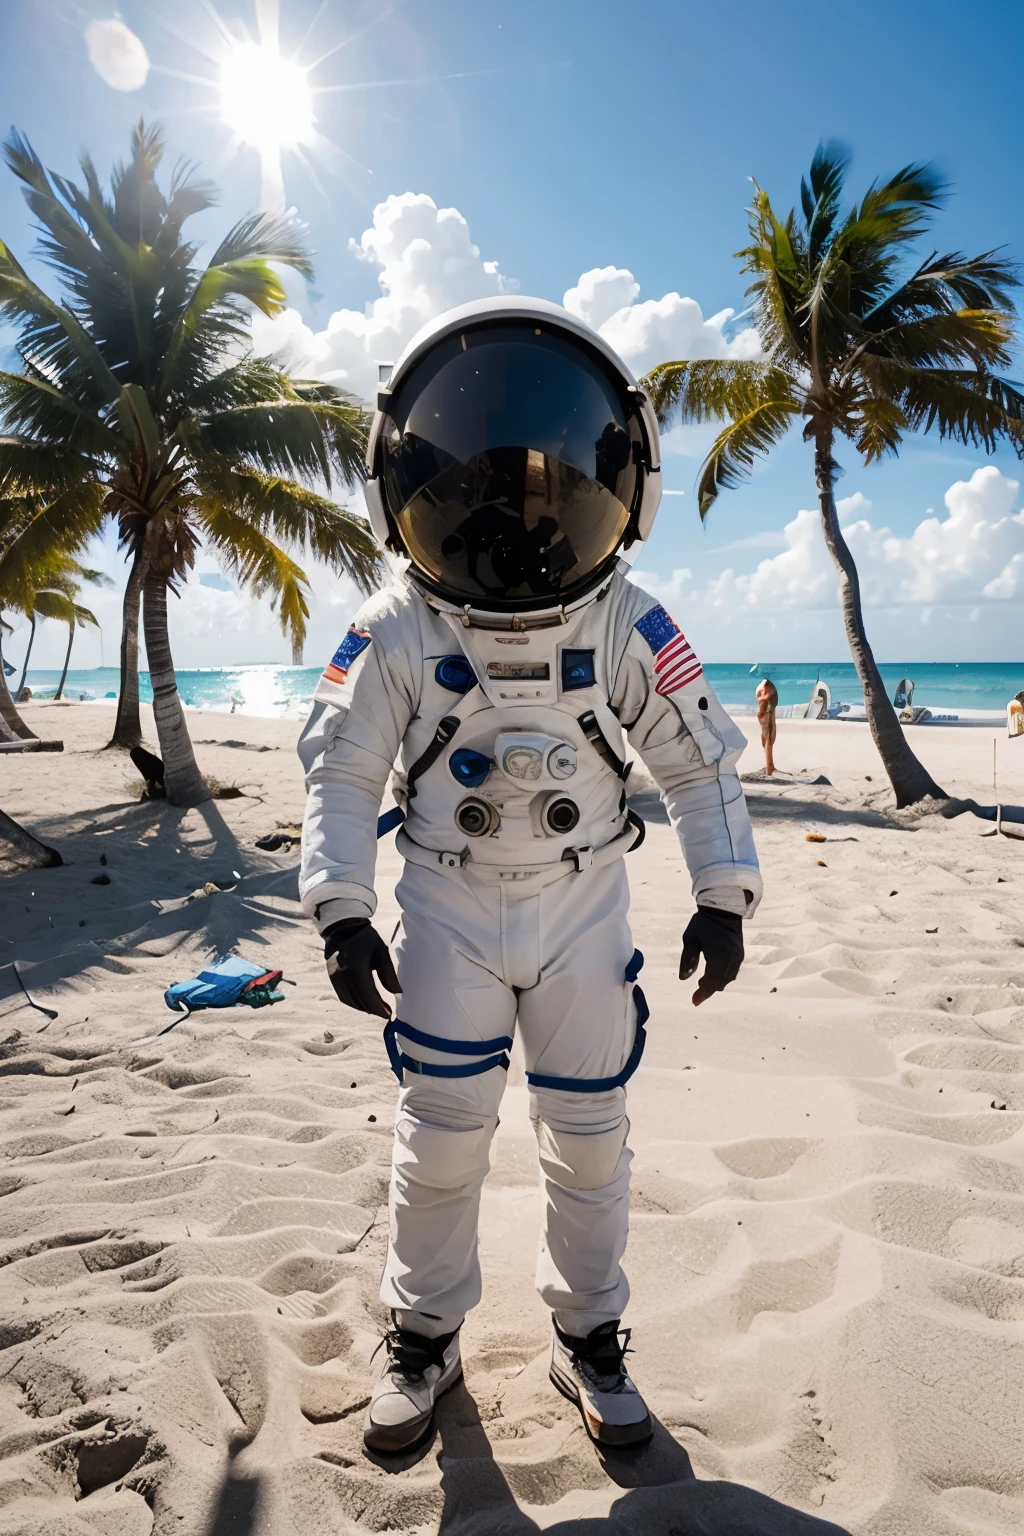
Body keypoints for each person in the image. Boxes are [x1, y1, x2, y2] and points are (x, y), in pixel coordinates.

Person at [298, 297, 761, 1456]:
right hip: (447, 902)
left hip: (578, 902)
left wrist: (723, 892)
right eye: (484, 485)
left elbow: (698, 765)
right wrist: (341, 911)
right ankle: (423, 1332)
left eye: (540, 485)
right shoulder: (396, 627)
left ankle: (589, 1337)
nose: (513, 514)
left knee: (589, 1132)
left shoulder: (625, 625)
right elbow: (344, 773)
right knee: (443, 1130)